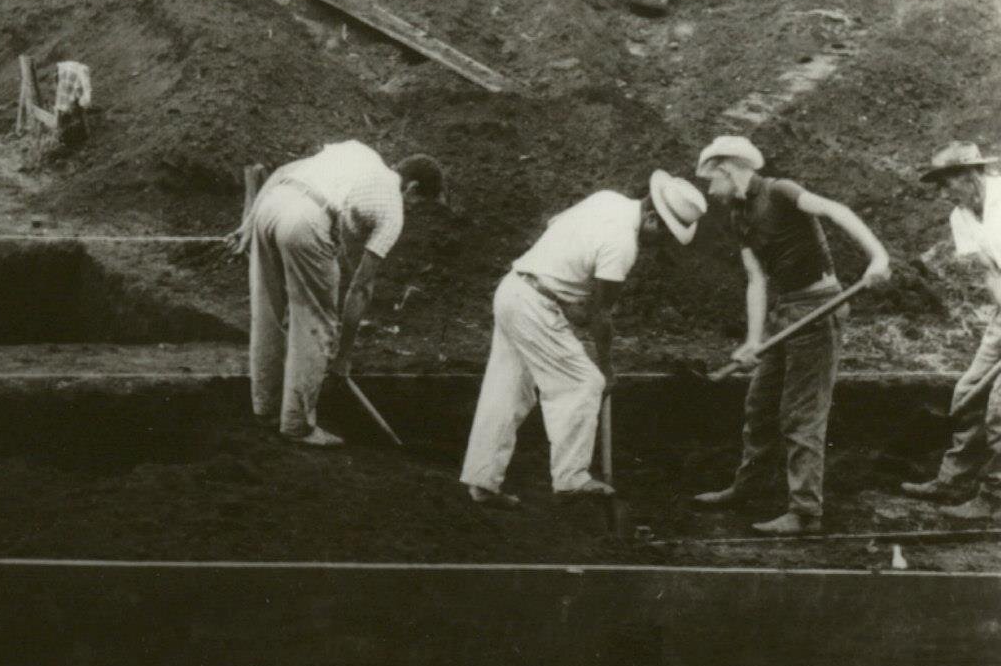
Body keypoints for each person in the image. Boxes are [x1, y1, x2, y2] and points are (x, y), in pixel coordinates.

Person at [461, 173, 707, 506]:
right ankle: (572, 480)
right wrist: (606, 367)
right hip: (534, 305)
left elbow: (555, 224)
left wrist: (562, 287)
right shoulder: (622, 244)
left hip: (513, 289)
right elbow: (600, 315)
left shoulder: (607, 198)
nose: (658, 246)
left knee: (507, 389)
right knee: (584, 383)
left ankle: (482, 481)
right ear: (652, 218)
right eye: (662, 236)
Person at [690, 135, 892, 535]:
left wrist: (879, 256)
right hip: (786, 313)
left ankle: (805, 511)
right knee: (760, 406)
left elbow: (836, 210)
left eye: (712, 180)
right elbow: (755, 280)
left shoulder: (780, 191)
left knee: (802, 414)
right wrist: (752, 340)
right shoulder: (738, 214)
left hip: (819, 309)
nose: (711, 191)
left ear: (728, 169)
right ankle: (749, 488)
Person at [232, 143, 446, 447]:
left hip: (271, 205)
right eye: (417, 203)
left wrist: (250, 220)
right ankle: (297, 425)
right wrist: (342, 356)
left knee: (268, 311)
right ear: (411, 188)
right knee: (317, 322)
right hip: (307, 221)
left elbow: (282, 172)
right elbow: (361, 288)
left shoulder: (359, 152)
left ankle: (265, 408)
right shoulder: (394, 211)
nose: (412, 210)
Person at [901, 143, 1001, 514]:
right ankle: (953, 481)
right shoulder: (961, 217)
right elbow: (990, 272)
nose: (943, 194)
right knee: (969, 391)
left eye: (947, 184)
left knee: (1000, 409)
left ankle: (993, 498)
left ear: (970, 175)